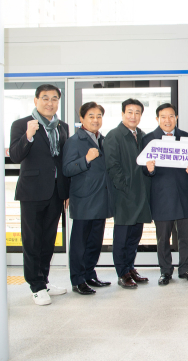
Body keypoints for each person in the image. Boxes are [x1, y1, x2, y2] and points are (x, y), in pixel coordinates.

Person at [9, 84, 70, 306]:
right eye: (45, 98)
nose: (50, 103)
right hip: (32, 192)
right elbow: (15, 156)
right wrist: (28, 135)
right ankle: (35, 286)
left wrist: (66, 191)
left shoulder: (62, 126)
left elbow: (62, 160)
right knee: (32, 240)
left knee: (48, 240)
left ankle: (43, 280)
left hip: (55, 192)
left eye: (54, 99)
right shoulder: (21, 124)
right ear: (36, 100)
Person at [142, 103, 188, 286]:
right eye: (163, 117)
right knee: (163, 238)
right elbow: (144, 169)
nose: (168, 120)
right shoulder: (148, 139)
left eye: (171, 116)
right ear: (157, 119)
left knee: (185, 236)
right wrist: (149, 169)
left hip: (183, 193)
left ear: (176, 118)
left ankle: (185, 269)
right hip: (161, 195)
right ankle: (165, 271)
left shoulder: (186, 137)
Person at [62, 102, 112, 295]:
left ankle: (90, 274)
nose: (95, 120)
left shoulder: (103, 139)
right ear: (82, 119)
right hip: (84, 200)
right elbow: (67, 169)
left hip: (101, 198)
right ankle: (77, 279)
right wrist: (86, 160)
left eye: (99, 116)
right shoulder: (74, 141)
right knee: (79, 243)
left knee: (94, 241)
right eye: (91, 116)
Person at [104, 98, 152, 289]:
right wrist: (125, 187)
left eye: (137, 112)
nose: (133, 116)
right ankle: (122, 272)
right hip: (124, 195)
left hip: (140, 193)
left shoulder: (142, 135)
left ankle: (130, 267)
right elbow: (112, 166)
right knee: (122, 237)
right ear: (123, 113)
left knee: (135, 235)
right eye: (130, 112)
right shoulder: (114, 135)